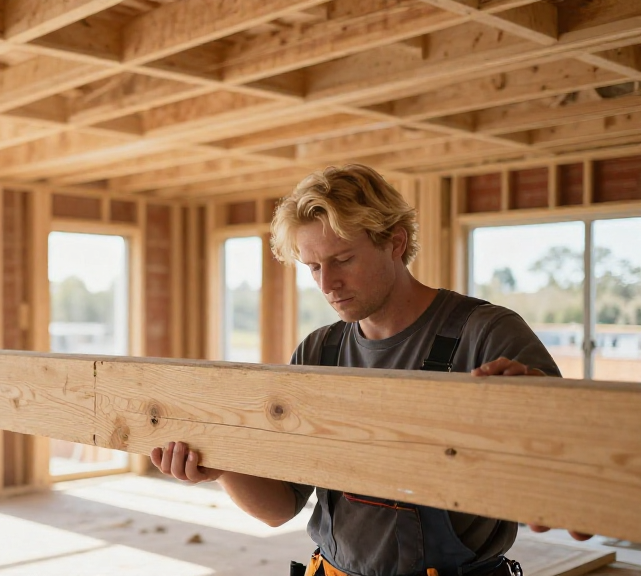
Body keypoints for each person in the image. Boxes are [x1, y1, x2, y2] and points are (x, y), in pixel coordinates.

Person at [151, 165, 589, 576]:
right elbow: (280, 508)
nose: (327, 284)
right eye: (314, 267)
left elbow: (580, 502)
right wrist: (222, 466)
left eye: (343, 259)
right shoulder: (319, 352)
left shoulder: (486, 335)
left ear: (394, 243)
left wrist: (556, 432)